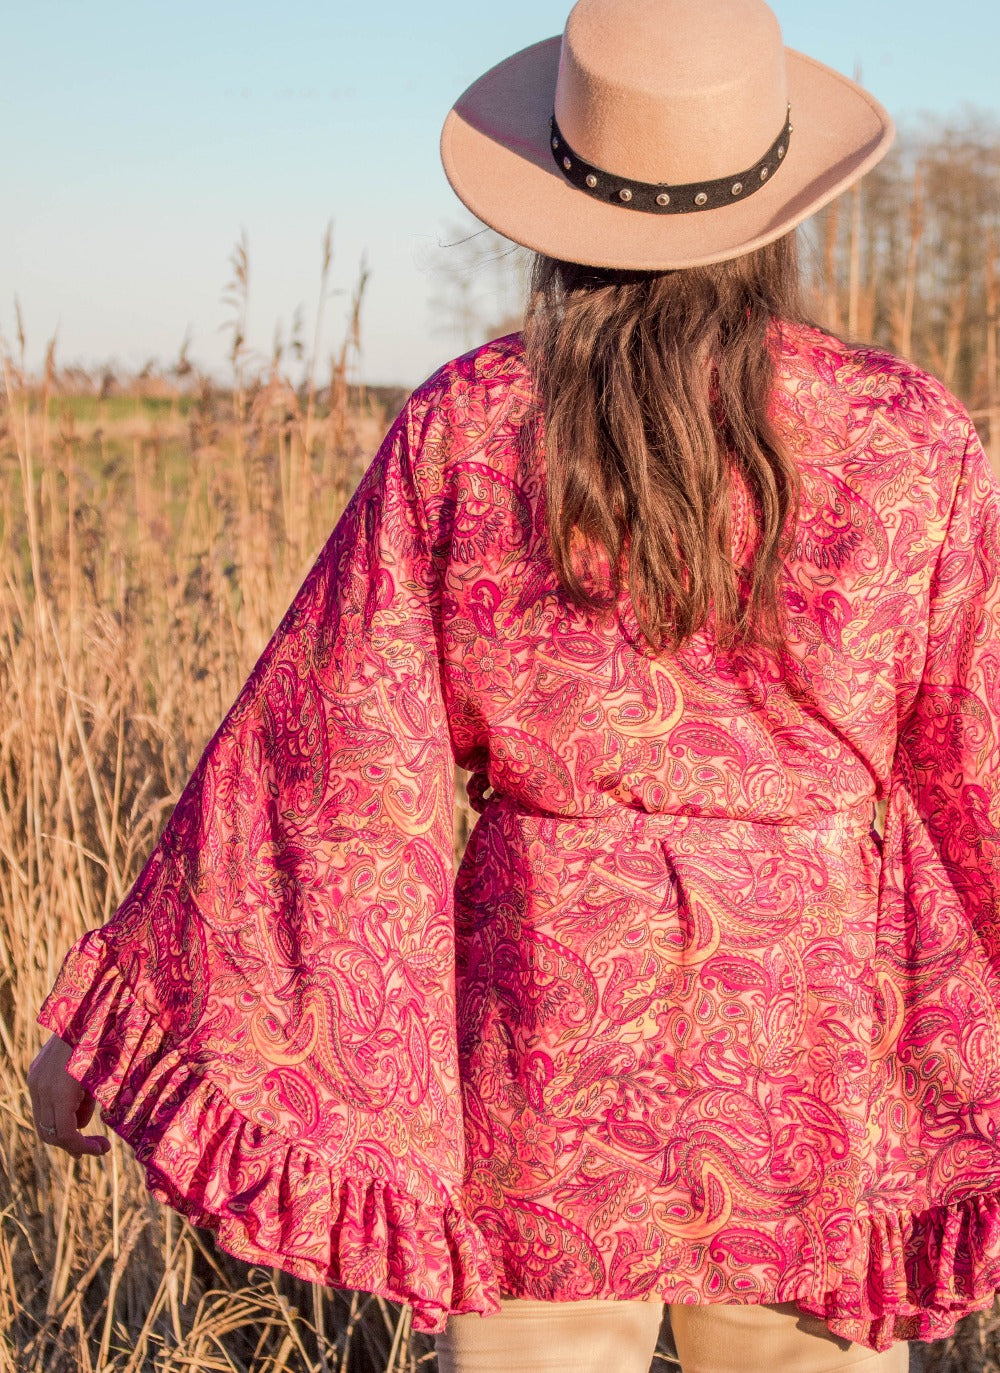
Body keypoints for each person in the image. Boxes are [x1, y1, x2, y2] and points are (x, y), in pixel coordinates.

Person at [27, 0, 1000, 1369]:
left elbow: (331, 772)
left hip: (548, 1029)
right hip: (807, 1050)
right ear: (775, 200)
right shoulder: (912, 440)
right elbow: (984, 767)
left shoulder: (471, 429)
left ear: (559, 197)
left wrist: (133, 1024)